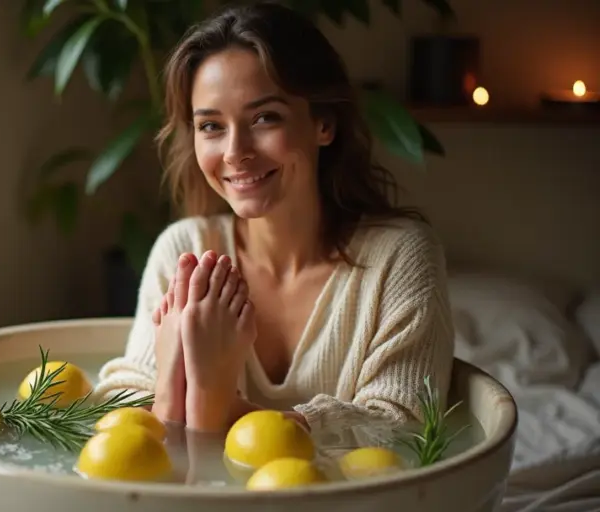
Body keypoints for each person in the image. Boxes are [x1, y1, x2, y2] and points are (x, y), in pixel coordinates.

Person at [93, 1, 455, 440]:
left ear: (324, 123)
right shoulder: (183, 248)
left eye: (265, 118)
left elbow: (404, 428)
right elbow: (120, 412)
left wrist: (214, 399)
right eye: (211, 126)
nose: (234, 152)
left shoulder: (398, 255)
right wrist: (174, 391)